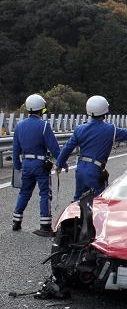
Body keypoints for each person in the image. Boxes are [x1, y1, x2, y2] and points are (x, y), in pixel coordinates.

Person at [55, 96, 127, 203]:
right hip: (95, 170)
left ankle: (75, 218)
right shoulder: (110, 129)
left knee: (78, 201)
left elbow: (67, 148)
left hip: (80, 169)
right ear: (105, 112)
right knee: (98, 203)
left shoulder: (80, 128)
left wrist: (60, 164)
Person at [11, 94, 61, 236]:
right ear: (41, 110)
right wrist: (61, 162)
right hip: (40, 164)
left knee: (24, 192)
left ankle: (16, 221)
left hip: (26, 164)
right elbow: (54, 147)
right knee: (45, 193)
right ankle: (45, 225)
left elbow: (15, 149)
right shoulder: (44, 126)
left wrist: (17, 165)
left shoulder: (19, 126)